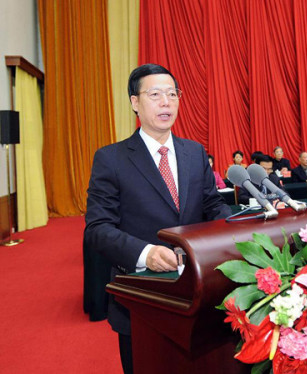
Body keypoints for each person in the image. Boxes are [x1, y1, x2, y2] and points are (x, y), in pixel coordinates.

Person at [84, 64, 231, 374]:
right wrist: (146, 253)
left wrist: (235, 231)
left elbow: (213, 207)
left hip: (200, 294)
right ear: (135, 102)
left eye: (172, 94)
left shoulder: (194, 152)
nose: (166, 102)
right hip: (143, 301)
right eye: (155, 95)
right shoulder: (111, 158)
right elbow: (98, 229)